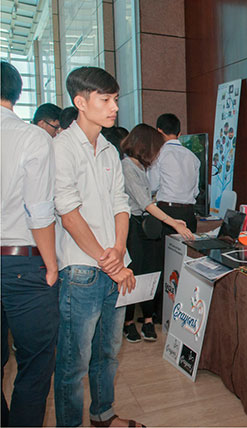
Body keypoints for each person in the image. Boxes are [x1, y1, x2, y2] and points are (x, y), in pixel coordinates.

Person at [52, 66, 142, 427]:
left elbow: (121, 203)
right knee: (73, 363)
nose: (114, 107)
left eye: (116, 99)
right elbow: (68, 213)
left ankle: (103, 415)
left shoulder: (108, 148)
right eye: (105, 100)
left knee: (108, 354)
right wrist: (111, 263)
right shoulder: (61, 148)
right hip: (80, 272)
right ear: (80, 102)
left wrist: (119, 250)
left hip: (114, 266)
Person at [1, 61, 59, 427]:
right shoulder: (30, 137)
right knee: (35, 365)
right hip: (21, 264)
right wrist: (52, 265)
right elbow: (39, 211)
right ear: (17, 92)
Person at [120, 123, 194, 343]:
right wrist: (173, 222)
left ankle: (149, 319)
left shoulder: (140, 167)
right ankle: (128, 322)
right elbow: (144, 203)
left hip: (146, 226)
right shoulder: (126, 166)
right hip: (132, 226)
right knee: (134, 271)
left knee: (151, 271)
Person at [148, 113, 200, 232]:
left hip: (167, 213)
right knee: (188, 250)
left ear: (159, 131)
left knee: (165, 250)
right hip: (189, 214)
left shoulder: (158, 154)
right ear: (179, 134)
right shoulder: (193, 157)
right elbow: (196, 191)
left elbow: (152, 186)